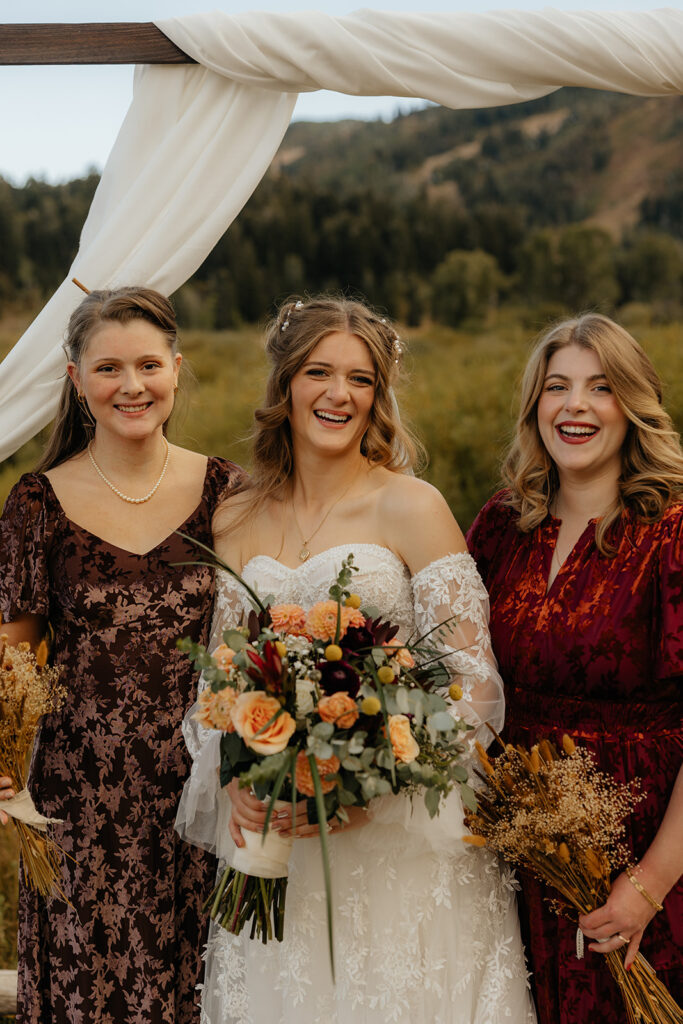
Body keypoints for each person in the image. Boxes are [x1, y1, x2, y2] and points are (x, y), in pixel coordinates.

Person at [176, 295, 536, 1024]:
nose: (339, 394)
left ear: (379, 397)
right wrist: (241, 775)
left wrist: (369, 783)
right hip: (286, 850)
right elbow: (219, 684)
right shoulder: (237, 517)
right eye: (318, 372)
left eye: (361, 379)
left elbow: (472, 687)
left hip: (401, 842)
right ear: (284, 386)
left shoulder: (412, 506)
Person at [0, 286, 245, 1024]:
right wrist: (6, 770)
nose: (131, 386)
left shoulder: (228, 494)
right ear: (75, 380)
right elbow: (12, 665)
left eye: (147, 365)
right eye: (108, 369)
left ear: (176, 367)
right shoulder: (37, 504)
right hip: (82, 803)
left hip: (205, 797)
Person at [467, 313, 683, 1024]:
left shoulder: (672, 531)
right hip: (513, 849)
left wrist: (647, 885)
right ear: (535, 406)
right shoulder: (500, 524)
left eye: (599, 388)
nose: (574, 406)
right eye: (555, 387)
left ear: (633, 404)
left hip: (644, 845)